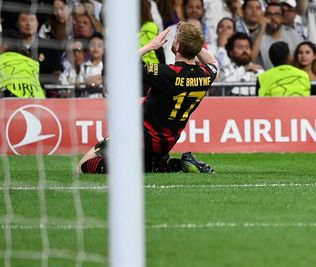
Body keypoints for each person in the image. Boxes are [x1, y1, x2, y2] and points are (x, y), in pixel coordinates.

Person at [77, 23, 217, 174]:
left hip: (139, 137)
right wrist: (193, 42)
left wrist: (151, 45)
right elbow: (213, 63)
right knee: (150, 165)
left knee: (82, 166)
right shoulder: (205, 75)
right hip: (167, 142)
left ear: (177, 47)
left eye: (175, 38)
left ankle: (128, 166)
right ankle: (172, 164)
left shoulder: (166, 73)